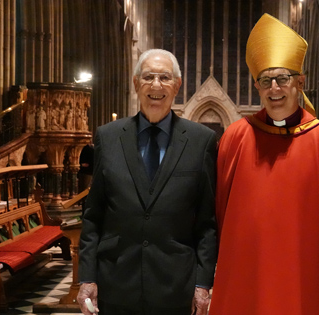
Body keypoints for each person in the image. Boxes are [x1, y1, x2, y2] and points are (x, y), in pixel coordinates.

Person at [208, 14, 319, 315]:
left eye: (282, 78)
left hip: (306, 277)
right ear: (257, 87)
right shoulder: (235, 138)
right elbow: (215, 210)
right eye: (265, 80)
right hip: (246, 274)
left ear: (300, 82)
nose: (274, 88)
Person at [76, 49, 218, 315]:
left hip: (176, 286)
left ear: (177, 85)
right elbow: (93, 215)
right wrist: (87, 278)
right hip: (116, 282)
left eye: (164, 77)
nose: (156, 85)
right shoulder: (108, 138)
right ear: (135, 83)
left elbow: (207, 223)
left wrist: (202, 283)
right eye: (148, 77)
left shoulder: (201, 141)